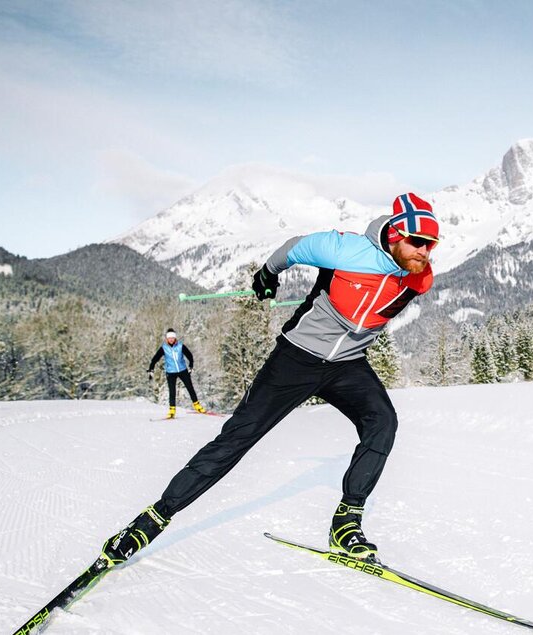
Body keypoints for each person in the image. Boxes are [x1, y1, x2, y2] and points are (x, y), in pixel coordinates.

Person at [100, 193, 439, 568]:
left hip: (347, 364)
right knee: (238, 437)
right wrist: (266, 274)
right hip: (297, 359)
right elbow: (293, 249)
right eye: (418, 242)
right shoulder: (344, 249)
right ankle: (153, 519)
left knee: (383, 423)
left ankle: (346, 523)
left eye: (431, 245)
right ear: (395, 233)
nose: (425, 251)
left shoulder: (419, 278)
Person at [147, 329, 206, 419]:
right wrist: (151, 368)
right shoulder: (164, 348)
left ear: (175, 338)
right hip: (170, 372)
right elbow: (155, 358)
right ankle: (172, 411)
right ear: (167, 339)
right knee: (172, 391)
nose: (171, 340)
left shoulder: (180, 346)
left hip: (182, 370)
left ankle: (197, 406)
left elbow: (189, 355)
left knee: (190, 388)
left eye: (173, 338)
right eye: (169, 338)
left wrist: (191, 366)